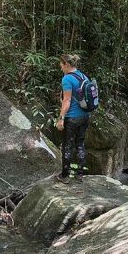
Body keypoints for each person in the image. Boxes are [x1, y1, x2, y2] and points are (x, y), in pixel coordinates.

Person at [55, 54, 90, 184]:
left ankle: (65, 176)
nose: (61, 69)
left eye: (61, 66)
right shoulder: (83, 76)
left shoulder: (67, 79)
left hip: (72, 118)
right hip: (85, 116)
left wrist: (61, 118)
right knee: (80, 144)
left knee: (67, 146)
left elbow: (67, 100)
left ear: (67, 65)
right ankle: (80, 174)